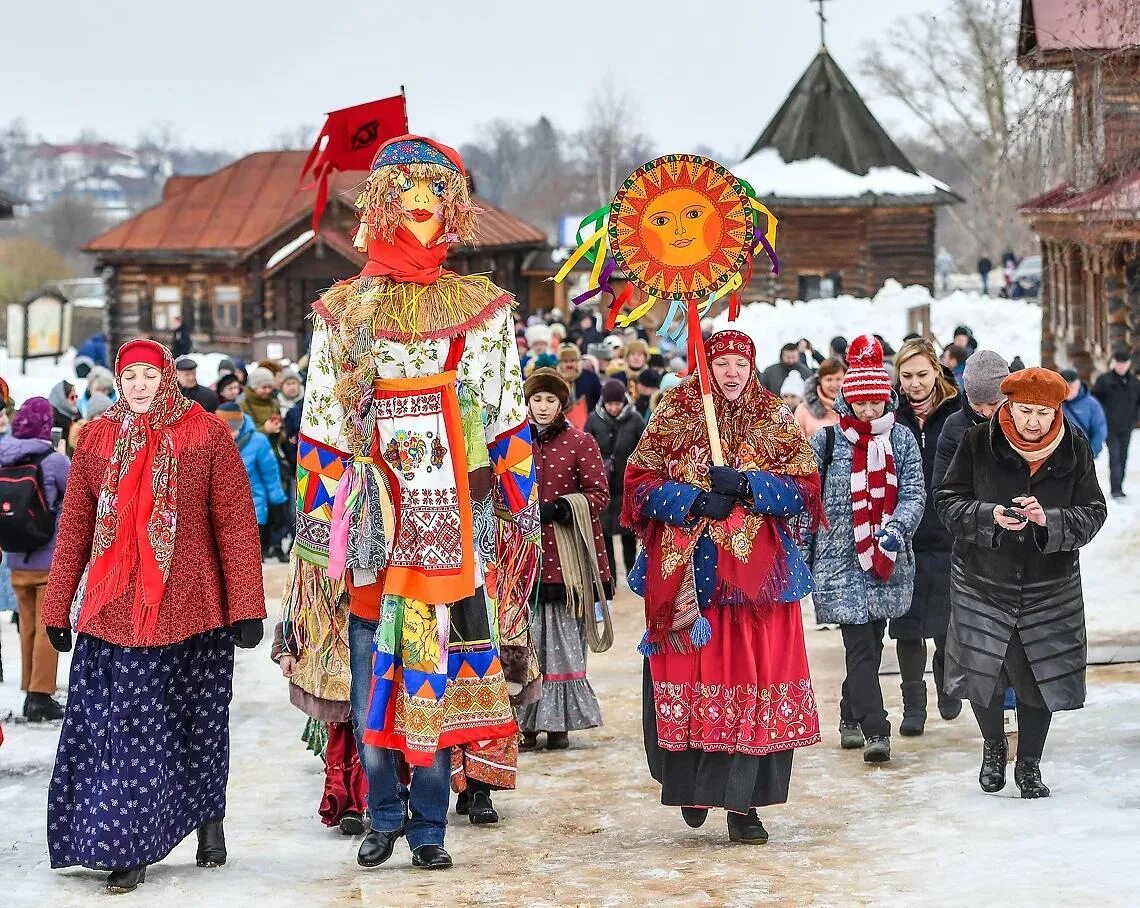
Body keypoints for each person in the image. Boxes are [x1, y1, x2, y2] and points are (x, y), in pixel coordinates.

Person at [285, 135, 540, 870]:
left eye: (435, 202)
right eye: (405, 200)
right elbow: (321, 428)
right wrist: (314, 539)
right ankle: (381, 814)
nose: (420, 214)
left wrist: (514, 517)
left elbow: (508, 414)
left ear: (453, 211)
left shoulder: (482, 310)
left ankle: (429, 825)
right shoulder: (342, 311)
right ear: (380, 208)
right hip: (371, 517)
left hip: (453, 520)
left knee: (433, 672)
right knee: (371, 674)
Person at [40, 338, 266, 894]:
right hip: (114, 610)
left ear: (166, 377)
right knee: (125, 732)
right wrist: (58, 605)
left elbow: (234, 523)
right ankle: (130, 843)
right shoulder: (96, 438)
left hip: (193, 608)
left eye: (149, 374)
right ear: (118, 381)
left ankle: (208, 823)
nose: (139, 385)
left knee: (199, 725)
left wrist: (246, 605)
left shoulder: (205, 434)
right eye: (130, 375)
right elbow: (75, 528)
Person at [624, 329, 823, 844]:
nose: (732, 372)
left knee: (753, 682)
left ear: (752, 365)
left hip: (756, 582)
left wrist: (750, 486)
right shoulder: (675, 409)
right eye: (722, 362)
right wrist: (688, 500)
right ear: (707, 365)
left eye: (741, 362)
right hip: (686, 573)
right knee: (690, 675)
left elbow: (805, 486)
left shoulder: (773, 415)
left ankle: (743, 806)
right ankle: (690, 786)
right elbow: (638, 481)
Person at [936, 368, 1106, 798]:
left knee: (1038, 675)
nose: (1034, 421)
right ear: (1009, 404)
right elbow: (948, 501)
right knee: (984, 671)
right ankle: (994, 749)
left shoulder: (1075, 448)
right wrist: (986, 515)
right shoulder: (978, 443)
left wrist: (1050, 519)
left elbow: (1094, 511)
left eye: (1043, 413)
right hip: (983, 579)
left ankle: (1029, 765)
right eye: (1025, 410)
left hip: (1050, 585)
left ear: (1057, 411)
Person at [801, 335, 925, 763]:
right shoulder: (828, 442)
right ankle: (877, 729)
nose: (869, 412)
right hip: (839, 562)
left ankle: (849, 716)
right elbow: (807, 501)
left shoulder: (902, 440)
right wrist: (802, 552)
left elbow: (914, 493)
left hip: (885, 559)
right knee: (860, 646)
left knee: (870, 645)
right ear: (847, 403)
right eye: (861, 404)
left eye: (876, 404)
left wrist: (898, 529)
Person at [516, 368, 611, 750]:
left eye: (550, 400)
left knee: (563, 640)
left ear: (561, 404)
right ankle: (524, 723)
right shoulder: (513, 444)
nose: (542, 407)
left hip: (567, 557)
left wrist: (562, 508)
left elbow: (599, 493)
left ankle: (559, 724)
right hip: (522, 557)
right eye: (536, 399)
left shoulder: (581, 442)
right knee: (523, 639)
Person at [890, 339, 962, 733]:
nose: (915, 384)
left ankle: (948, 685)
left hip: (949, 534)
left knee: (946, 624)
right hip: (906, 537)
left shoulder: (957, 412)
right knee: (907, 627)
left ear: (936, 370)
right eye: (907, 376)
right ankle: (913, 707)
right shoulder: (892, 417)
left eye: (922, 374)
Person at [0, 398, 70, 722]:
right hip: (47, 558)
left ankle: (31, 689)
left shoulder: (3, 456)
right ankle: (41, 696)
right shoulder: (54, 460)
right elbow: (77, 498)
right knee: (47, 627)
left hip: (15, 557)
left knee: (27, 626)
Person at [586, 378, 645, 580]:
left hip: (627, 485)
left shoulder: (635, 420)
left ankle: (631, 573)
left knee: (628, 534)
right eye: (610, 404)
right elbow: (586, 448)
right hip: (603, 485)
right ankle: (609, 575)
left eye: (617, 404)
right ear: (604, 402)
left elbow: (644, 449)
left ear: (624, 402)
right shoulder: (594, 419)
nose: (613, 408)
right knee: (605, 534)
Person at [216, 403, 288, 560]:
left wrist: (277, 501)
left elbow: (270, 474)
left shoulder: (258, 441)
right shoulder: (212, 440)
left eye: (234, 427)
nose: (231, 433)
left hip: (253, 502)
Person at [934, 351, 1010, 488]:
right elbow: (942, 489)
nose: (986, 413)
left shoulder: (1025, 422)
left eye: (993, 403)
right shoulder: (954, 426)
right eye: (977, 404)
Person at [1092, 350, 1140, 499]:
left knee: (1124, 457)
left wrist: (1135, 417)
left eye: (1124, 364)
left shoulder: (1134, 382)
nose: (1121, 367)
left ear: (1128, 364)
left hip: (1127, 426)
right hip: (1109, 426)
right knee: (1115, 456)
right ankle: (1115, 489)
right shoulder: (1104, 380)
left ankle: (1120, 486)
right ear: (1114, 363)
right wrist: (1103, 417)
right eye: (1118, 363)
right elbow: (1095, 401)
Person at [1061, 368, 1107, 458]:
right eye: (1066, 387)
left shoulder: (1091, 404)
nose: (1069, 391)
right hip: (1057, 456)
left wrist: (1092, 452)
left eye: (1072, 387)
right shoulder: (1053, 403)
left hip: (1082, 455)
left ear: (1078, 385)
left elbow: (1099, 430)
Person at [794, 357, 845, 437]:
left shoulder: (854, 409)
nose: (834, 385)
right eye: (829, 379)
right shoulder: (804, 409)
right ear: (820, 381)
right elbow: (797, 443)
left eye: (838, 379)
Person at [240, 367, 283, 444]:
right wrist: (265, 430)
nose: (268, 391)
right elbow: (242, 435)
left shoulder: (274, 404)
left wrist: (279, 430)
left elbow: (283, 429)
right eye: (264, 387)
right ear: (254, 387)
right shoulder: (244, 406)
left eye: (270, 387)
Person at [48, 380, 80, 452]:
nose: (75, 400)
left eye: (76, 396)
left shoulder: (78, 417)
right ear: (61, 398)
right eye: (72, 397)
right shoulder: (52, 422)